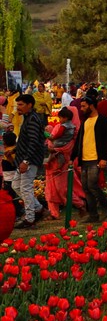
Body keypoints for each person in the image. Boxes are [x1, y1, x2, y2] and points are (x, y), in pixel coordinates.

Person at [76, 97, 107, 222]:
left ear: (91, 106)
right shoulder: (85, 121)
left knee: (92, 185)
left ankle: (106, 206)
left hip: (95, 158)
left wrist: (103, 158)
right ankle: (93, 214)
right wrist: (73, 157)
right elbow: (79, 140)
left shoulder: (103, 121)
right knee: (86, 187)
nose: (82, 109)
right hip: (85, 158)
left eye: (84, 106)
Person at [11, 94, 46, 226]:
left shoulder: (32, 119)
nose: (18, 107)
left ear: (29, 105)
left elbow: (34, 141)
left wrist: (26, 161)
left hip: (29, 160)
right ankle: (39, 209)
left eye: (21, 105)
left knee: (25, 188)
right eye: (17, 105)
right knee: (16, 185)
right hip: (23, 158)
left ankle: (30, 218)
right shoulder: (28, 118)